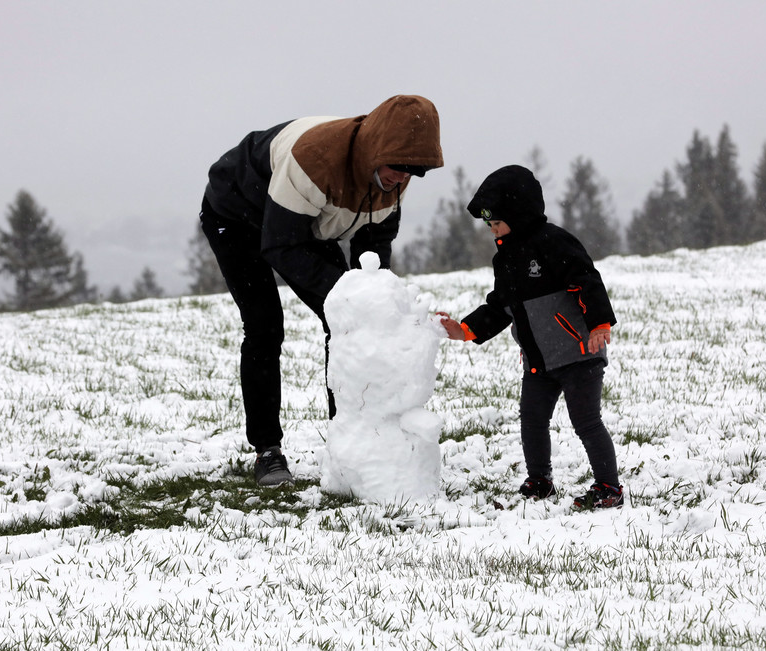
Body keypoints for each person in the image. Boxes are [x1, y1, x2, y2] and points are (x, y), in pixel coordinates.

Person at [199, 95, 444, 487]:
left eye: (415, 171)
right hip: (239, 214)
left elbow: (374, 242)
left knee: (352, 323)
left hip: (308, 221)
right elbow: (280, 243)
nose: (404, 177)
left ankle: (351, 442)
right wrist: (349, 295)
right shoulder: (314, 159)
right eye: (399, 166)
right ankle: (267, 451)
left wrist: (371, 299)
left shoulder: (393, 175)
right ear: (378, 148)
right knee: (265, 328)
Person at [438, 165, 623, 510]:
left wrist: (599, 324)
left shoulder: (554, 243)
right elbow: (500, 305)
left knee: (586, 421)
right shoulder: (504, 259)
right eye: (489, 226)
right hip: (539, 361)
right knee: (533, 419)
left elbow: (586, 280)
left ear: (519, 215)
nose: (493, 231)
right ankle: (540, 480)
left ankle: (609, 486)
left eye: (497, 223)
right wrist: (465, 330)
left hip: (579, 353)